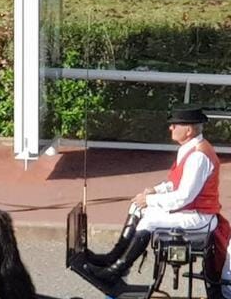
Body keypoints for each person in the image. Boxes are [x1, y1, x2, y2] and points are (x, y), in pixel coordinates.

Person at [84, 105, 221, 287]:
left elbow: (183, 197)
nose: (170, 128)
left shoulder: (198, 157)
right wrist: (155, 190)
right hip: (191, 209)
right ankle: (113, 257)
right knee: (136, 207)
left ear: (188, 130)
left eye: (175, 125)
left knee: (148, 221)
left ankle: (117, 269)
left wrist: (149, 200)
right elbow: (176, 183)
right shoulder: (189, 149)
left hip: (199, 215)